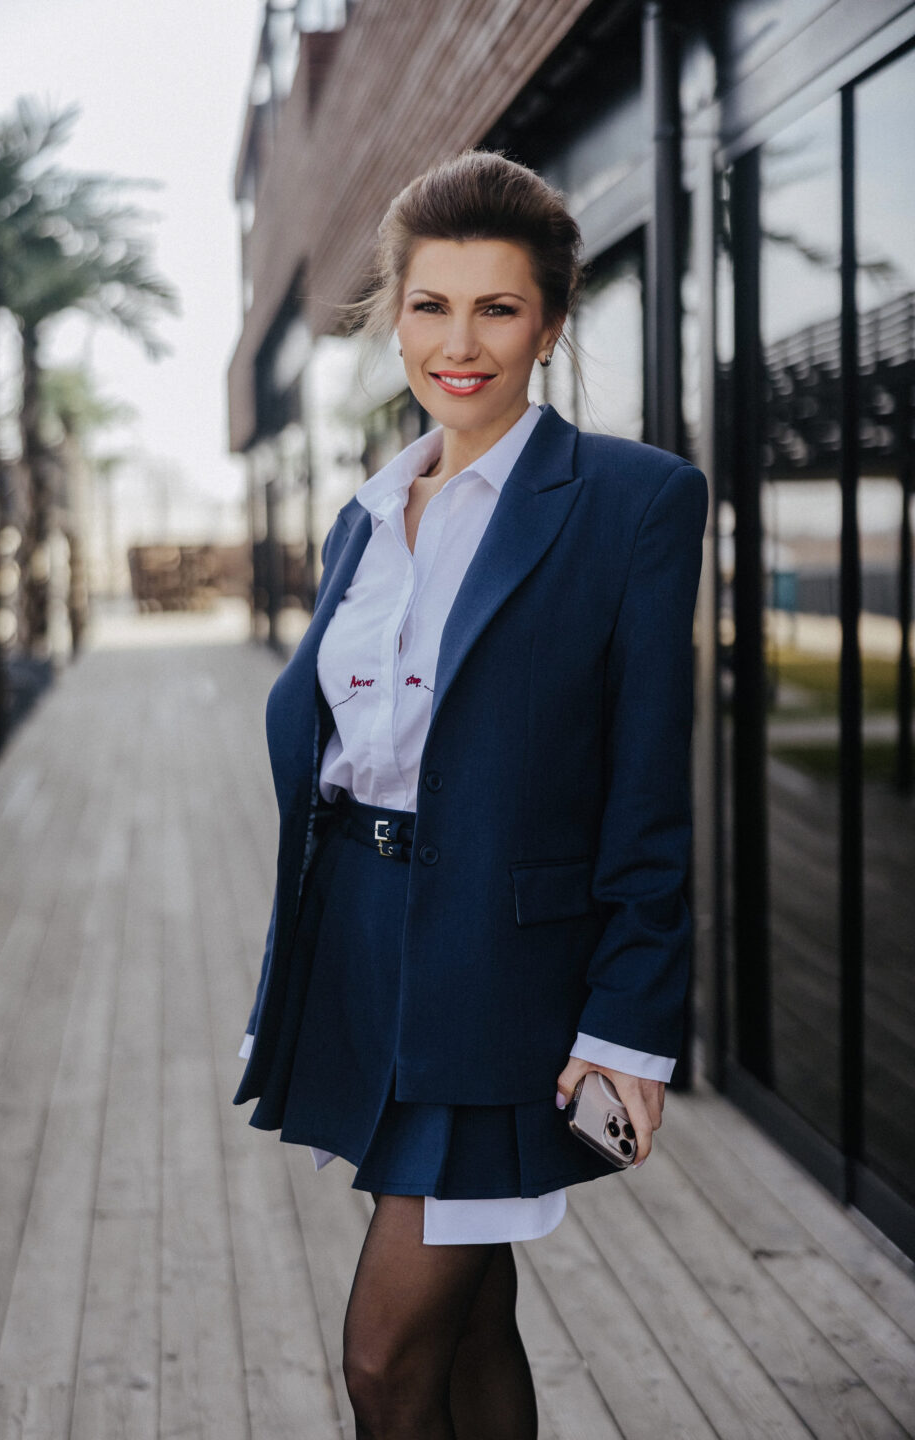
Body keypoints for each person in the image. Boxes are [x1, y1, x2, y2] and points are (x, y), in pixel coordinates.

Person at [233, 147, 709, 1440]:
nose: (460, 343)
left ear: (549, 326)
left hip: (503, 978)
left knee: (385, 1361)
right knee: (472, 1318)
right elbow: (335, 756)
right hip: (364, 951)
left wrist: (628, 1026)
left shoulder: (634, 504)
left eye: (498, 308)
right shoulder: (363, 519)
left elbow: (647, 791)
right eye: (431, 306)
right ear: (394, 320)